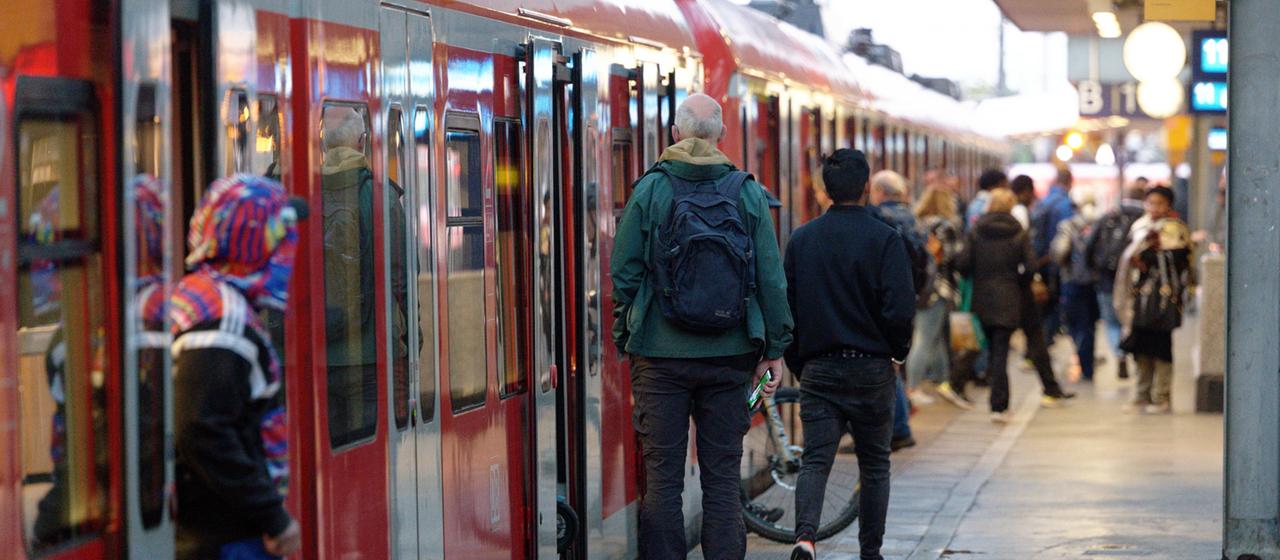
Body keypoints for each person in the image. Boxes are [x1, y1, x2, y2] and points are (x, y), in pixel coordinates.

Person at [610, 93, 793, 560]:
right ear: (721, 137)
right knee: (722, 481)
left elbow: (625, 273)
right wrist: (775, 348)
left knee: (663, 482)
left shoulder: (650, 190)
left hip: (660, 357)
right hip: (730, 356)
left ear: (674, 134)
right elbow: (770, 278)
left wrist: (627, 331)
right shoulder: (747, 191)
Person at [784, 148, 915, 560]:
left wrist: (798, 362)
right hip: (872, 370)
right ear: (866, 188)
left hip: (819, 370)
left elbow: (788, 308)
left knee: (815, 460)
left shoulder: (802, 239)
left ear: (825, 189)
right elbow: (900, 308)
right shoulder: (885, 240)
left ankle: (805, 538)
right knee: (875, 464)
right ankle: (870, 551)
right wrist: (896, 353)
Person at [173, 175, 305, 559]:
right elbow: (201, 426)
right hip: (224, 538)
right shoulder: (222, 324)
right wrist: (272, 516)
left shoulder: (201, 295)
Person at [957, 189, 1073, 423]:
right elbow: (1030, 267)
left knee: (991, 350)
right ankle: (999, 407)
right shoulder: (1018, 231)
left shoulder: (976, 230)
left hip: (982, 297)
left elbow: (963, 263)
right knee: (1001, 351)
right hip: (1010, 297)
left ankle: (978, 392)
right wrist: (1017, 282)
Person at [1117, 186, 1191, 414]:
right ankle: (1141, 394)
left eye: (1159, 203)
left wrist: (1153, 253)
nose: (1154, 208)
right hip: (1140, 297)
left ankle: (1161, 397)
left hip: (1165, 299)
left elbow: (1181, 259)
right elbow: (1128, 257)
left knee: (1161, 348)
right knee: (1140, 347)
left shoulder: (1176, 229)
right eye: (1150, 203)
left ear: (1168, 205)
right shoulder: (1139, 226)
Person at [869, 170, 923, 448]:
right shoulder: (914, 218)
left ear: (878, 192)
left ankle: (898, 426)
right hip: (908, 296)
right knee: (894, 363)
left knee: (887, 368)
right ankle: (899, 424)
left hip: (884, 299)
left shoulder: (877, 219)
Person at [912, 186, 965, 407]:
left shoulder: (917, 224)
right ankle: (912, 387)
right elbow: (953, 258)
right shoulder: (945, 226)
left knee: (934, 338)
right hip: (938, 288)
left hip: (920, 288)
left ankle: (944, 382)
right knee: (925, 338)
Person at [1086, 185, 1146, 379]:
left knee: (1111, 321)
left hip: (1106, 278)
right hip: (1134, 280)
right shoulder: (1145, 220)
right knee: (1132, 319)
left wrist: (1093, 269)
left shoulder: (1109, 217)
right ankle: (1135, 354)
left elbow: (1089, 245)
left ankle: (1120, 354)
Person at [1052, 191, 1099, 381]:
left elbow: (1059, 252)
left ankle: (1081, 356)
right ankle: (1088, 366)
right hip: (1095, 282)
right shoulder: (1100, 224)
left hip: (1071, 281)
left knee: (1074, 324)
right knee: (1090, 325)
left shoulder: (1068, 226)